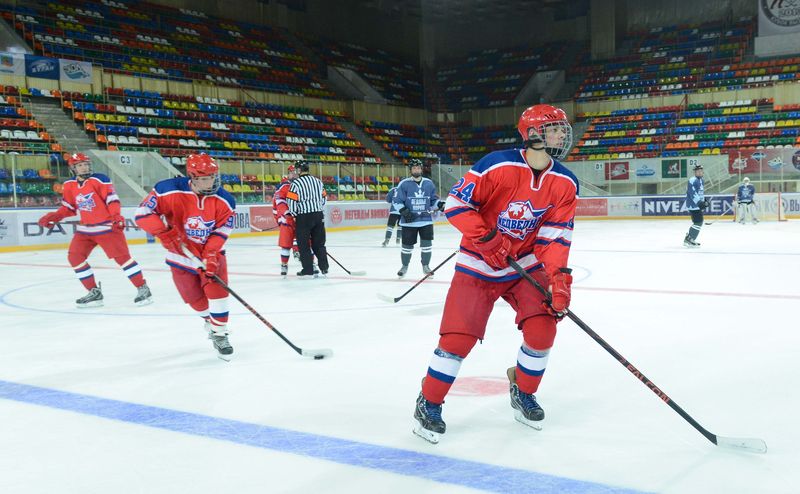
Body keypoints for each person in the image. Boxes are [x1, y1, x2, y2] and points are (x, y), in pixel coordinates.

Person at [411, 104, 578, 444]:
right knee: (458, 340)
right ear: (533, 134)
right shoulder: (497, 165)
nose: (564, 133)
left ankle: (524, 390)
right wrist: (487, 240)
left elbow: (555, 237)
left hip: (524, 265)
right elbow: (456, 205)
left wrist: (559, 279)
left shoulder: (565, 182)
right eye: (556, 128)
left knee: (543, 329)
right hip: (478, 263)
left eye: (563, 128)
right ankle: (428, 403)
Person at [135, 153, 237, 360]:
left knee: (218, 293)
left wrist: (211, 253)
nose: (212, 181)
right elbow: (143, 213)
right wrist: (164, 234)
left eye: (213, 176)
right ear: (193, 177)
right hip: (180, 256)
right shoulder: (167, 189)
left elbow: (222, 230)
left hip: (211, 255)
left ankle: (220, 333)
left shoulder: (225, 200)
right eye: (205, 178)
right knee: (194, 300)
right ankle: (210, 321)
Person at [37, 152, 152, 308]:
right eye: (80, 165)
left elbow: (112, 200)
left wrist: (116, 216)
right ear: (73, 168)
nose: (84, 168)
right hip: (85, 229)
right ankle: (94, 292)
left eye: (86, 164)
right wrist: (55, 217)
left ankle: (142, 288)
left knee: (123, 259)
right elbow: (69, 208)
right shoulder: (69, 185)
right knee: (75, 258)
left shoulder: (100, 179)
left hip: (107, 227)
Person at [393, 159, 445, 278]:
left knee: (427, 245)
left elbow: (433, 199)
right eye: (414, 168)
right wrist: (403, 210)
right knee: (407, 247)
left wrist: (439, 204)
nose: (416, 170)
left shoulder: (429, 183)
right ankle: (404, 266)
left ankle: (426, 267)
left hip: (425, 220)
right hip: (409, 222)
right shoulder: (404, 184)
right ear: (410, 170)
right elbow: (396, 200)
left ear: (421, 169)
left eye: (418, 168)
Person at [286, 160, 329, 278]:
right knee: (319, 244)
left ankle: (308, 269)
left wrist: (295, 215)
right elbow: (324, 199)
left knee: (304, 245)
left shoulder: (295, 184)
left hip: (304, 217)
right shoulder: (318, 182)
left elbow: (291, 202)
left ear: (299, 170)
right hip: (318, 215)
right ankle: (324, 267)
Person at [273, 165, 301, 276]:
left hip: (300, 219)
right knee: (285, 244)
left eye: (296, 172)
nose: (294, 174)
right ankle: (284, 265)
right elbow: (279, 202)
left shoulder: (302, 185)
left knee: (305, 242)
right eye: (291, 172)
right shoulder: (283, 187)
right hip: (287, 220)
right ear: (288, 173)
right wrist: (286, 214)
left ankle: (310, 263)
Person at [683, 163, 708, 248]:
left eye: (701, 171)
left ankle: (689, 238)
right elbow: (692, 193)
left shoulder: (701, 180)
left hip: (697, 205)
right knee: (698, 222)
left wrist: (704, 201)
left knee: (697, 222)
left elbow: (700, 193)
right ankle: (689, 239)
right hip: (693, 205)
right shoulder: (692, 180)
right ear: (695, 172)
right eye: (697, 171)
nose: (699, 172)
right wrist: (699, 203)